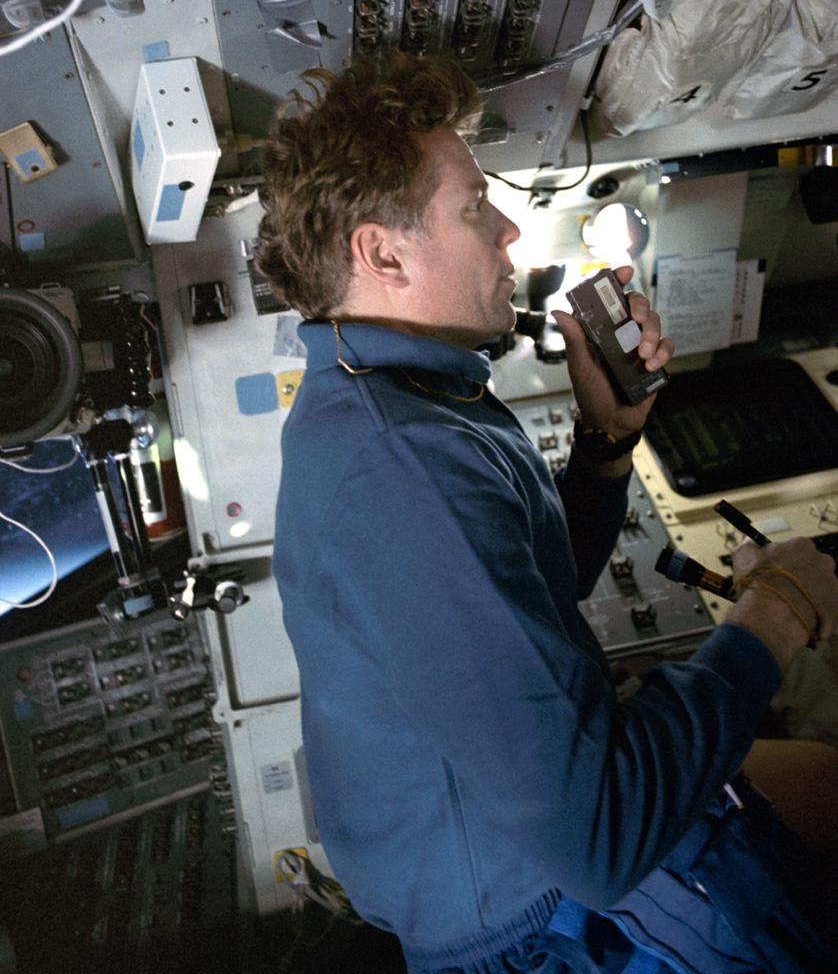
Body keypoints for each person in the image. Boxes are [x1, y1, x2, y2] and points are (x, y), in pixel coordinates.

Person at [256, 49, 838, 974]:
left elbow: (534, 585)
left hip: (533, 858)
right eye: (474, 206)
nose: (508, 235)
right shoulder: (401, 465)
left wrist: (605, 448)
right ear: (383, 251)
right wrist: (779, 613)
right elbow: (599, 841)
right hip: (546, 925)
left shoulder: (397, 392)